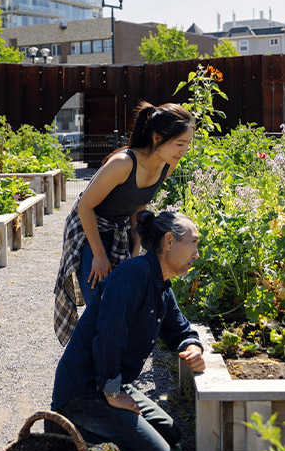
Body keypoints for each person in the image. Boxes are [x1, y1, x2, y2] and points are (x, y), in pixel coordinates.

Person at [50, 211, 206, 451]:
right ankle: (71, 440)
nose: (197, 253)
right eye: (193, 242)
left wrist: (193, 347)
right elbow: (108, 336)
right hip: (84, 393)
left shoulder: (161, 285)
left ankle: (96, 431)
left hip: (110, 385)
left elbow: (180, 330)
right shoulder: (133, 275)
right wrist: (112, 393)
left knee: (170, 432)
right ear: (169, 242)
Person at [52, 102, 195, 345]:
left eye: (188, 144)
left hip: (122, 229)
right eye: (179, 144)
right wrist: (98, 255)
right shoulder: (123, 163)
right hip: (89, 228)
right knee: (99, 301)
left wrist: (136, 247)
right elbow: (84, 206)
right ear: (157, 137)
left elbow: (138, 206)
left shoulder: (168, 165)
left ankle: (112, 371)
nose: (184, 150)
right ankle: (89, 371)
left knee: (121, 299)